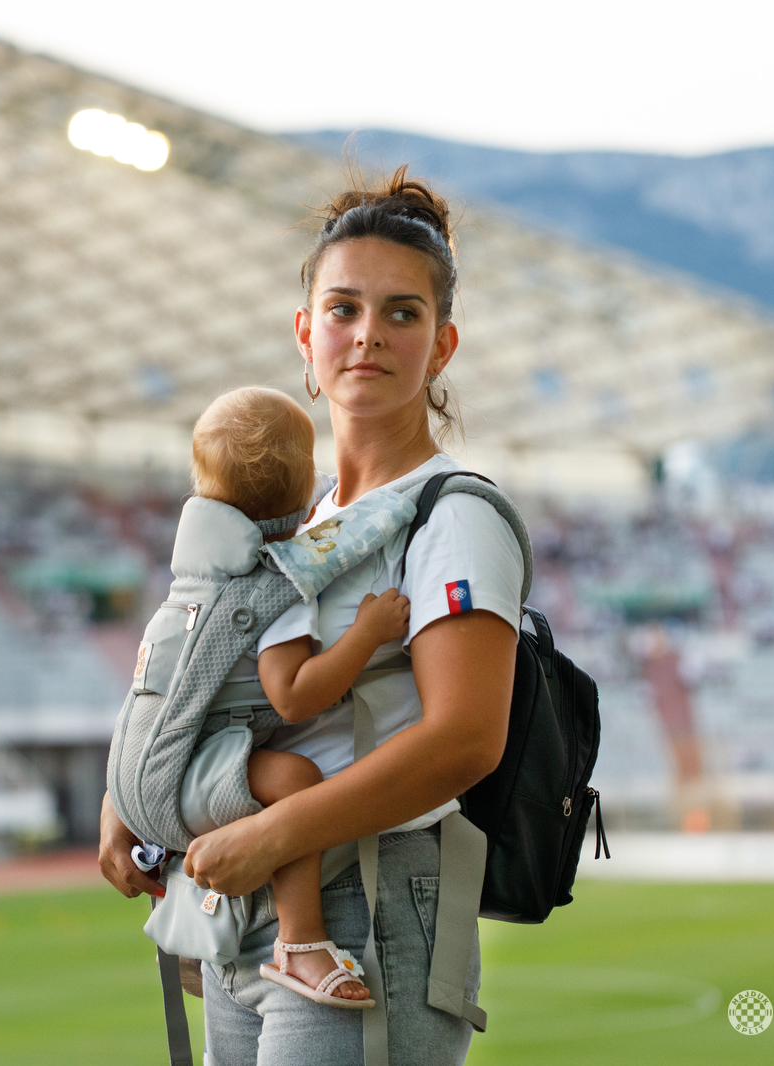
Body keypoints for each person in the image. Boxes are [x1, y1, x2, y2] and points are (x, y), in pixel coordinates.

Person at [100, 168, 522, 1065]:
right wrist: (128, 789)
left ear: (441, 347)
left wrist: (268, 835)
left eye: (403, 314)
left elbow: (464, 741)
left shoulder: (455, 514)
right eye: (344, 309)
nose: (369, 334)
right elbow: (215, 669)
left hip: (365, 902)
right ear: (306, 333)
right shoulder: (303, 521)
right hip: (242, 900)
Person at [180, 385, 417, 1007]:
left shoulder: (196, 575)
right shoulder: (273, 581)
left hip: (172, 757)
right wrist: (366, 634)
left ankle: (189, 938)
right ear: (303, 498)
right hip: (208, 765)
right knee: (296, 781)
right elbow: (291, 697)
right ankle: (302, 941)